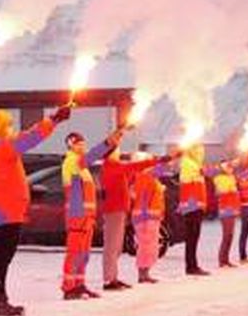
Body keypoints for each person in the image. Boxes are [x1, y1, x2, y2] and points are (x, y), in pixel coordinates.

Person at [0, 104, 67, 316]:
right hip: (6, 211)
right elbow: (30, 138)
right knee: (1, 257)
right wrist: (53, 120)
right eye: (8, 125)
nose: (11, 129)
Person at [60, 127, 123, 300]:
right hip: (77, 215)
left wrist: (113, 140)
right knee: (75, 252)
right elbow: (94, 155)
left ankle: (79, 284)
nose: (82, 146)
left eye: (83, 143)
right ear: (71, 146)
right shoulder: (72, 161)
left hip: (85, 217)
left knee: (83, 253)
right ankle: (69, 287)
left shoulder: (81, 165)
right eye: (79, 144)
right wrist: (111, 140)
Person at [99, 146, 165, 290]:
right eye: (116, 151)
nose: (120, 153)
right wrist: (156, 161)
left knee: (116, 247)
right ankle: (110, 279)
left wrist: (160, 162)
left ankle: (113, 278)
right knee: (113, 246)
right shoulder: (112, 165)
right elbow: (136, 168)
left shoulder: (118, 167)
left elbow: (137, 174)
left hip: (120, 209)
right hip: (116, 209)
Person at [176, 143, 212, 276]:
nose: (201, 155)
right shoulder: (188, 164)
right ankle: (191, 266)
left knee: (194, 237)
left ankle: (192, 265)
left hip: (196, 206)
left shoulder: (195, 166)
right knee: (192, 237)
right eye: (199, 152)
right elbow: (187, 179)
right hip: (191, 206)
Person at [132, 161, 169, 284]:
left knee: (150, 246)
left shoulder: (151, 179)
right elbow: (144, 198)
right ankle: (143, 274)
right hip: (146, 217)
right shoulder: (146, 178)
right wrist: (144, 216)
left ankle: (145, 272)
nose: (163, 171)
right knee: (146, 246)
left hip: (151, 217)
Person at [212, 160, 241, 268]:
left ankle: (226, 259)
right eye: (228, 167)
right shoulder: (219, 178)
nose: (230, 169)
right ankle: (222, 260)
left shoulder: (232, 177)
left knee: (230, 235)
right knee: (227, 235)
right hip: (225, 209)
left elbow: (234, 192)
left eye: (231, 167)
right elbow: (221, 191)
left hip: (232, 208)